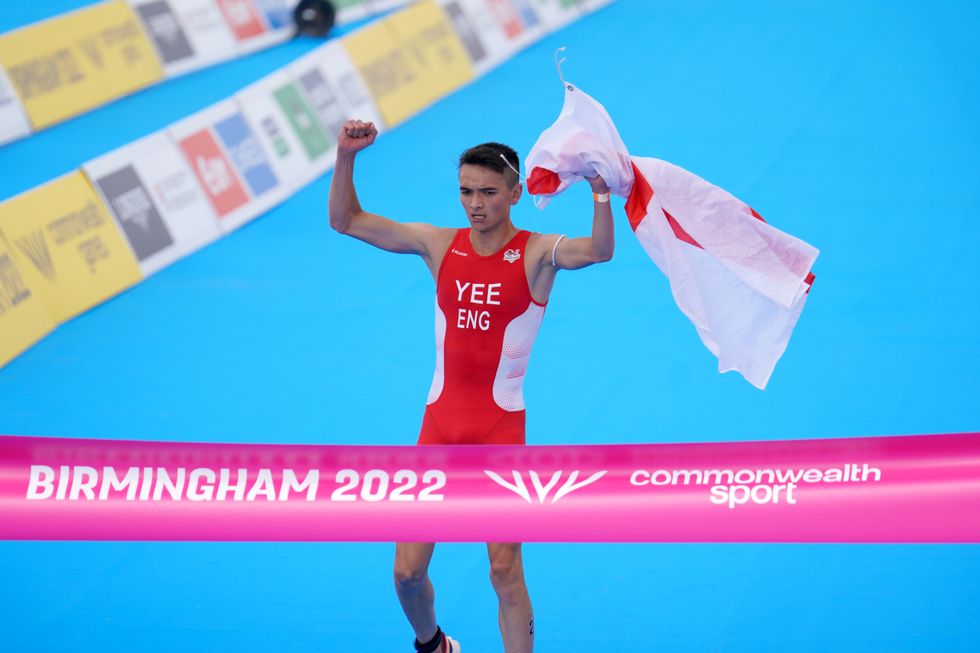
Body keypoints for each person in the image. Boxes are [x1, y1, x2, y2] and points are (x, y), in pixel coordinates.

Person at [328, 119, 614, 653]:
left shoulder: (537, 252)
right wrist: (345, 157)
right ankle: (434, 643)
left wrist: (600, 191)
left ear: (515, 193)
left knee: (504, 570)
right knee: (406, 575)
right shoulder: (439, 244)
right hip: (437, 430)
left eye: (487, 192)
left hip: (499, 433)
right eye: (465, 191)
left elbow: (598, 251)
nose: (475, 203)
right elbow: (346, 220)